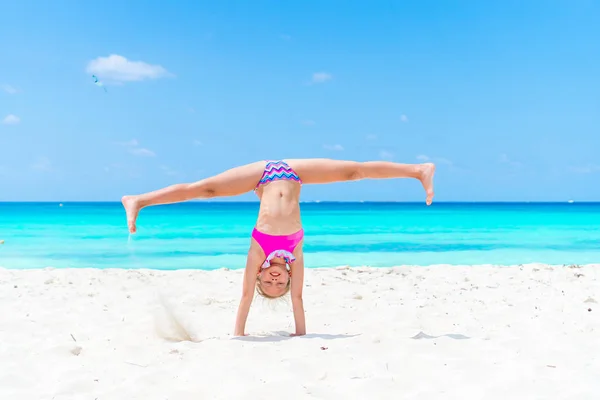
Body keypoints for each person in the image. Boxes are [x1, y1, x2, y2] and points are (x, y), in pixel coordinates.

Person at [122, 159, 435, 336]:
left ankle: (139, 201)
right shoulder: (295, 254)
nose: (274, 280)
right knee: (353, 172)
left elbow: (245, 296)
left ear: (261, 276)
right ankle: (418, 171)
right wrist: (301, 334)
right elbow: (297, 298)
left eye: (268, 283)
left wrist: (238, 336)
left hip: (261, 176)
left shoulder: (258, 252)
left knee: (207, 189)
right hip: (295, 171)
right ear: (285, 278)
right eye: (279, 283)